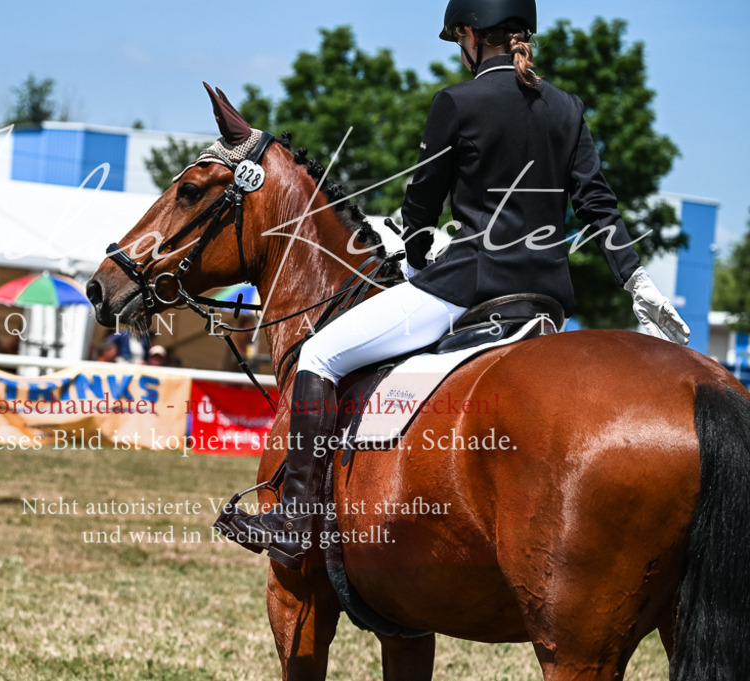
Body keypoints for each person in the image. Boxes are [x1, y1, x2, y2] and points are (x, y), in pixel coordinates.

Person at [223, 0, 690, 569]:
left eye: (459, 40)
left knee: (319, 354)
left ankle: (294, 518)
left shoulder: (457, 102)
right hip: (545, 301)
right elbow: (597, 203)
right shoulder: (567, 108)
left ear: (469, 35)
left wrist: (417, 258)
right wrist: (635, 279)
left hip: (466, 287)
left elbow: (421, 204)